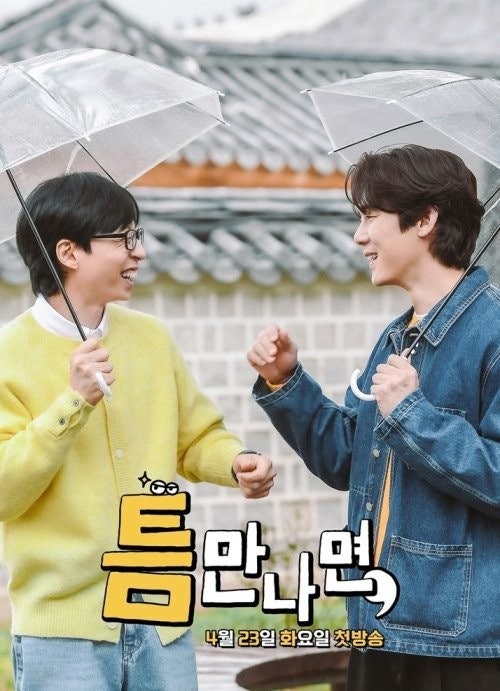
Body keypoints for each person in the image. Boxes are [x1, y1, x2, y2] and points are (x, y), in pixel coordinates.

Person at [0, 171, 276, 691]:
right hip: (63, 633)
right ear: (69, 252)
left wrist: (234, 463)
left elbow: (196, 437)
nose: (140, 252)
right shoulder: (7, 354)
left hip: (160, 612)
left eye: (138, 236)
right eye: (124, 238)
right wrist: (72, 402)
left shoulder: (150, 337)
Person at [247, 145, 500, 691]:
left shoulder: (494, 336)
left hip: (462, 645)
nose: (359, 236)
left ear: (425, 219)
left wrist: (412, 414)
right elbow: (348, 460)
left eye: (369, 216)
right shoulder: (396, 336)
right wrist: (286, 383)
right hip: (378, 623)